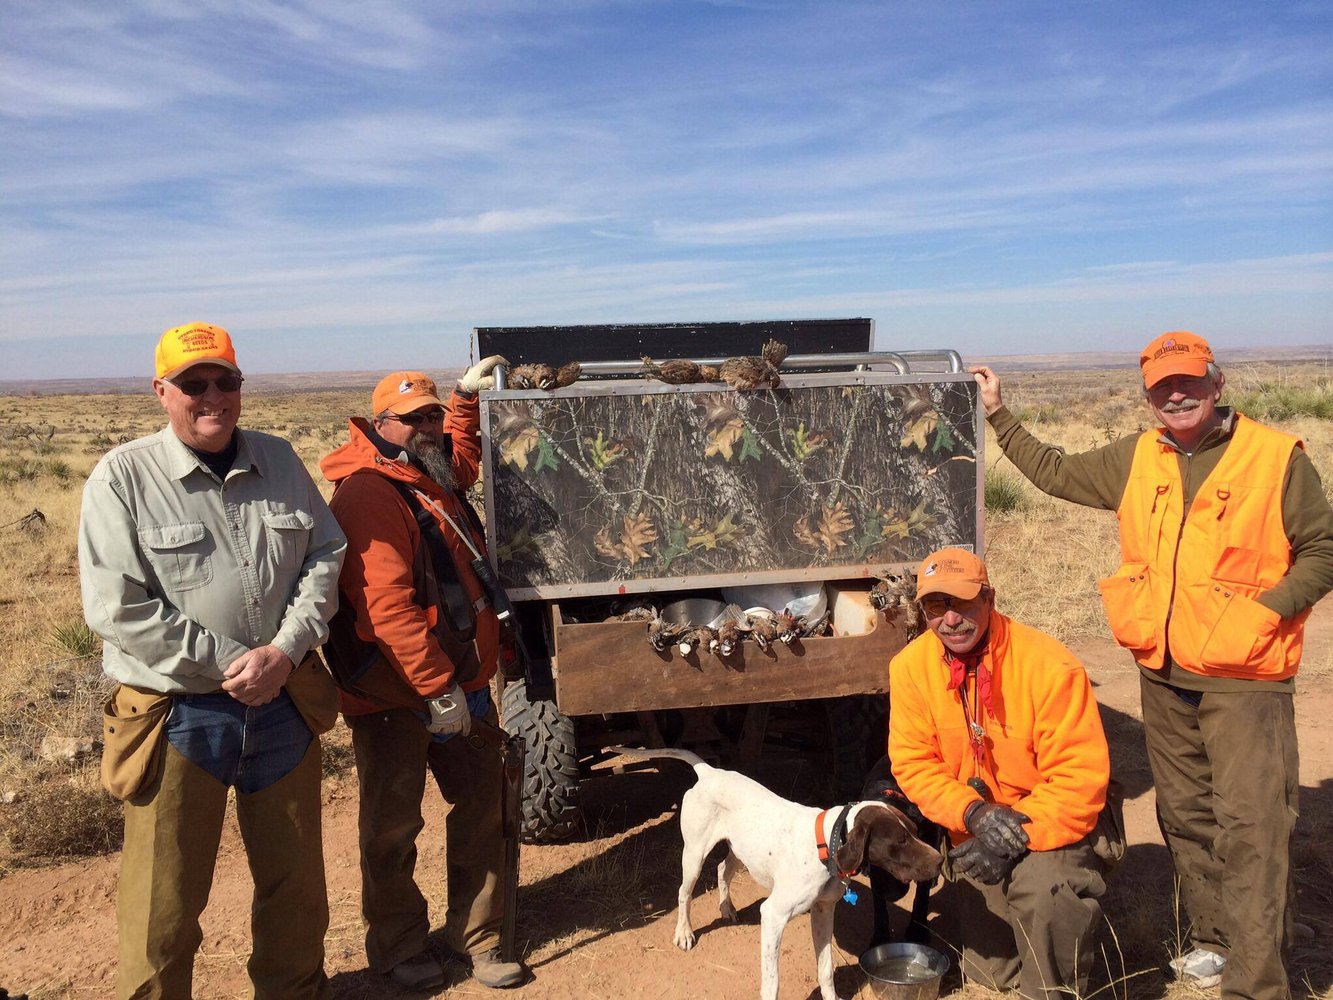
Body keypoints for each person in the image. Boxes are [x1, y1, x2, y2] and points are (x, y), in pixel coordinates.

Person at [970, 331, 1333, 1000]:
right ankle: (1211, 942)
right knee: (1186, 816)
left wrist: (1264, 614)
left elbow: (1322, 548)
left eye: (1188, 381)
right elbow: (1054, 471)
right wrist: (998, 413)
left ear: (1215, 384)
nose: (1175, 394)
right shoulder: (1138, 457)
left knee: (1251, 827)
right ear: (1146, 396)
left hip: (1243, 676)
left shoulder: (1274, 457)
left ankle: (1256, 982)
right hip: (1163, 673)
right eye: (1162, 386)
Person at [78, 322, 347, 999]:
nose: (212, 396)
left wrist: (283, 653)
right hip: (177, 716)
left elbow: (325, 556)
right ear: (161, 391)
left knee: (296, 889)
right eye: (193, 384)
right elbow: (116, 607)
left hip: (283, 703)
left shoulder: (281, 459)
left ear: (240, 387)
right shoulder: (124, 475)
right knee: (161, 903)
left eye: (224, 381)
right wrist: (235, 661)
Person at [320, 359, 528, 992]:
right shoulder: (368, 493)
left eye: (433, 415)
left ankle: (479, 936)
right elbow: (386, 609)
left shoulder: (427, 472)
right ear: (381, 423)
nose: (427, 427)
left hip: (459, 683)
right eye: (414, 419)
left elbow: (460, 459)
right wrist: (438, 689)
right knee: (392, 826)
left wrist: (464, 400)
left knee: (481, 810)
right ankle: (398, 945)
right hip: (394, 694)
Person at [889, 547, 1115, 1000]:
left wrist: (1013, 837)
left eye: (962, 603)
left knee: (1044, 890)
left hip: (1050, 820)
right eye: (936, 606)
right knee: (989, 974)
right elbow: (913, 763)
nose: (950, 620)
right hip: (976, 822)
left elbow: (1078, 779)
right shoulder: (910, 668)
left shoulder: (1050, 666)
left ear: (989, 598)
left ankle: (1057, 986)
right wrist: (972, 815)